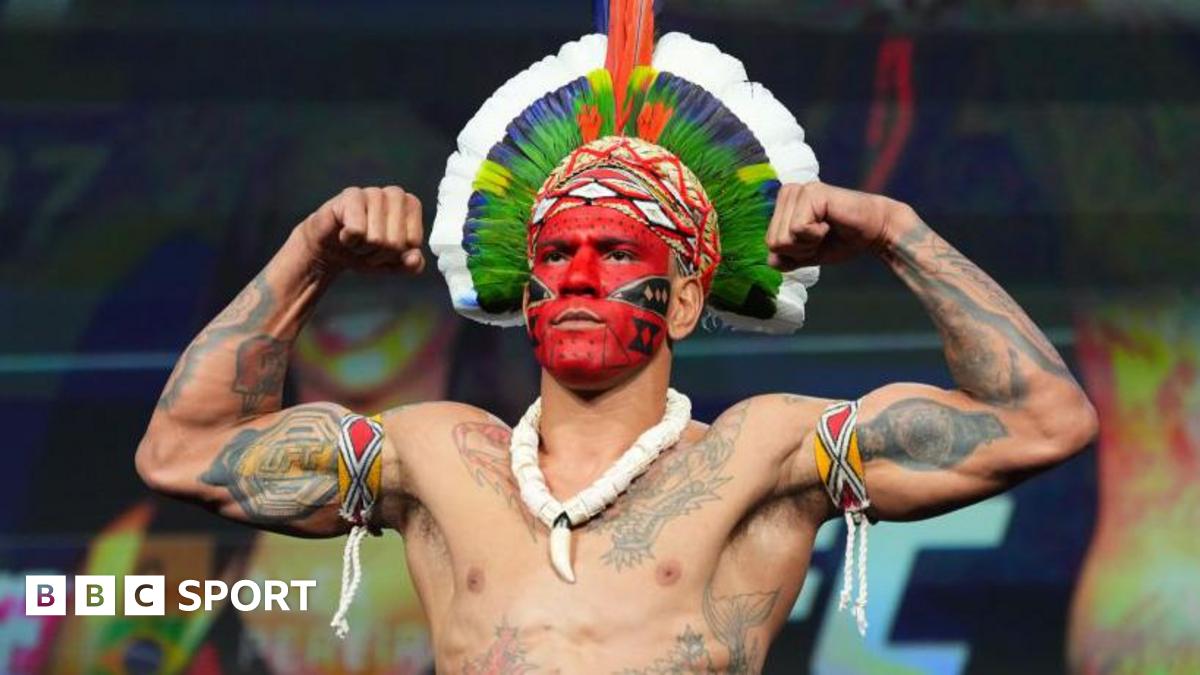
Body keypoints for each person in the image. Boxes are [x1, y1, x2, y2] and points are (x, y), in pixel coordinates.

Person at [136, 6, 1097, 672]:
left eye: (615, 249)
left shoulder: (761, 457)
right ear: (526, 287)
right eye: (555, 252)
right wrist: (311, 254)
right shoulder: (436, 457)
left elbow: (1042, 421)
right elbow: (181, 452)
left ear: (683, 301)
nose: (580, 274)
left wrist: (897, 232)